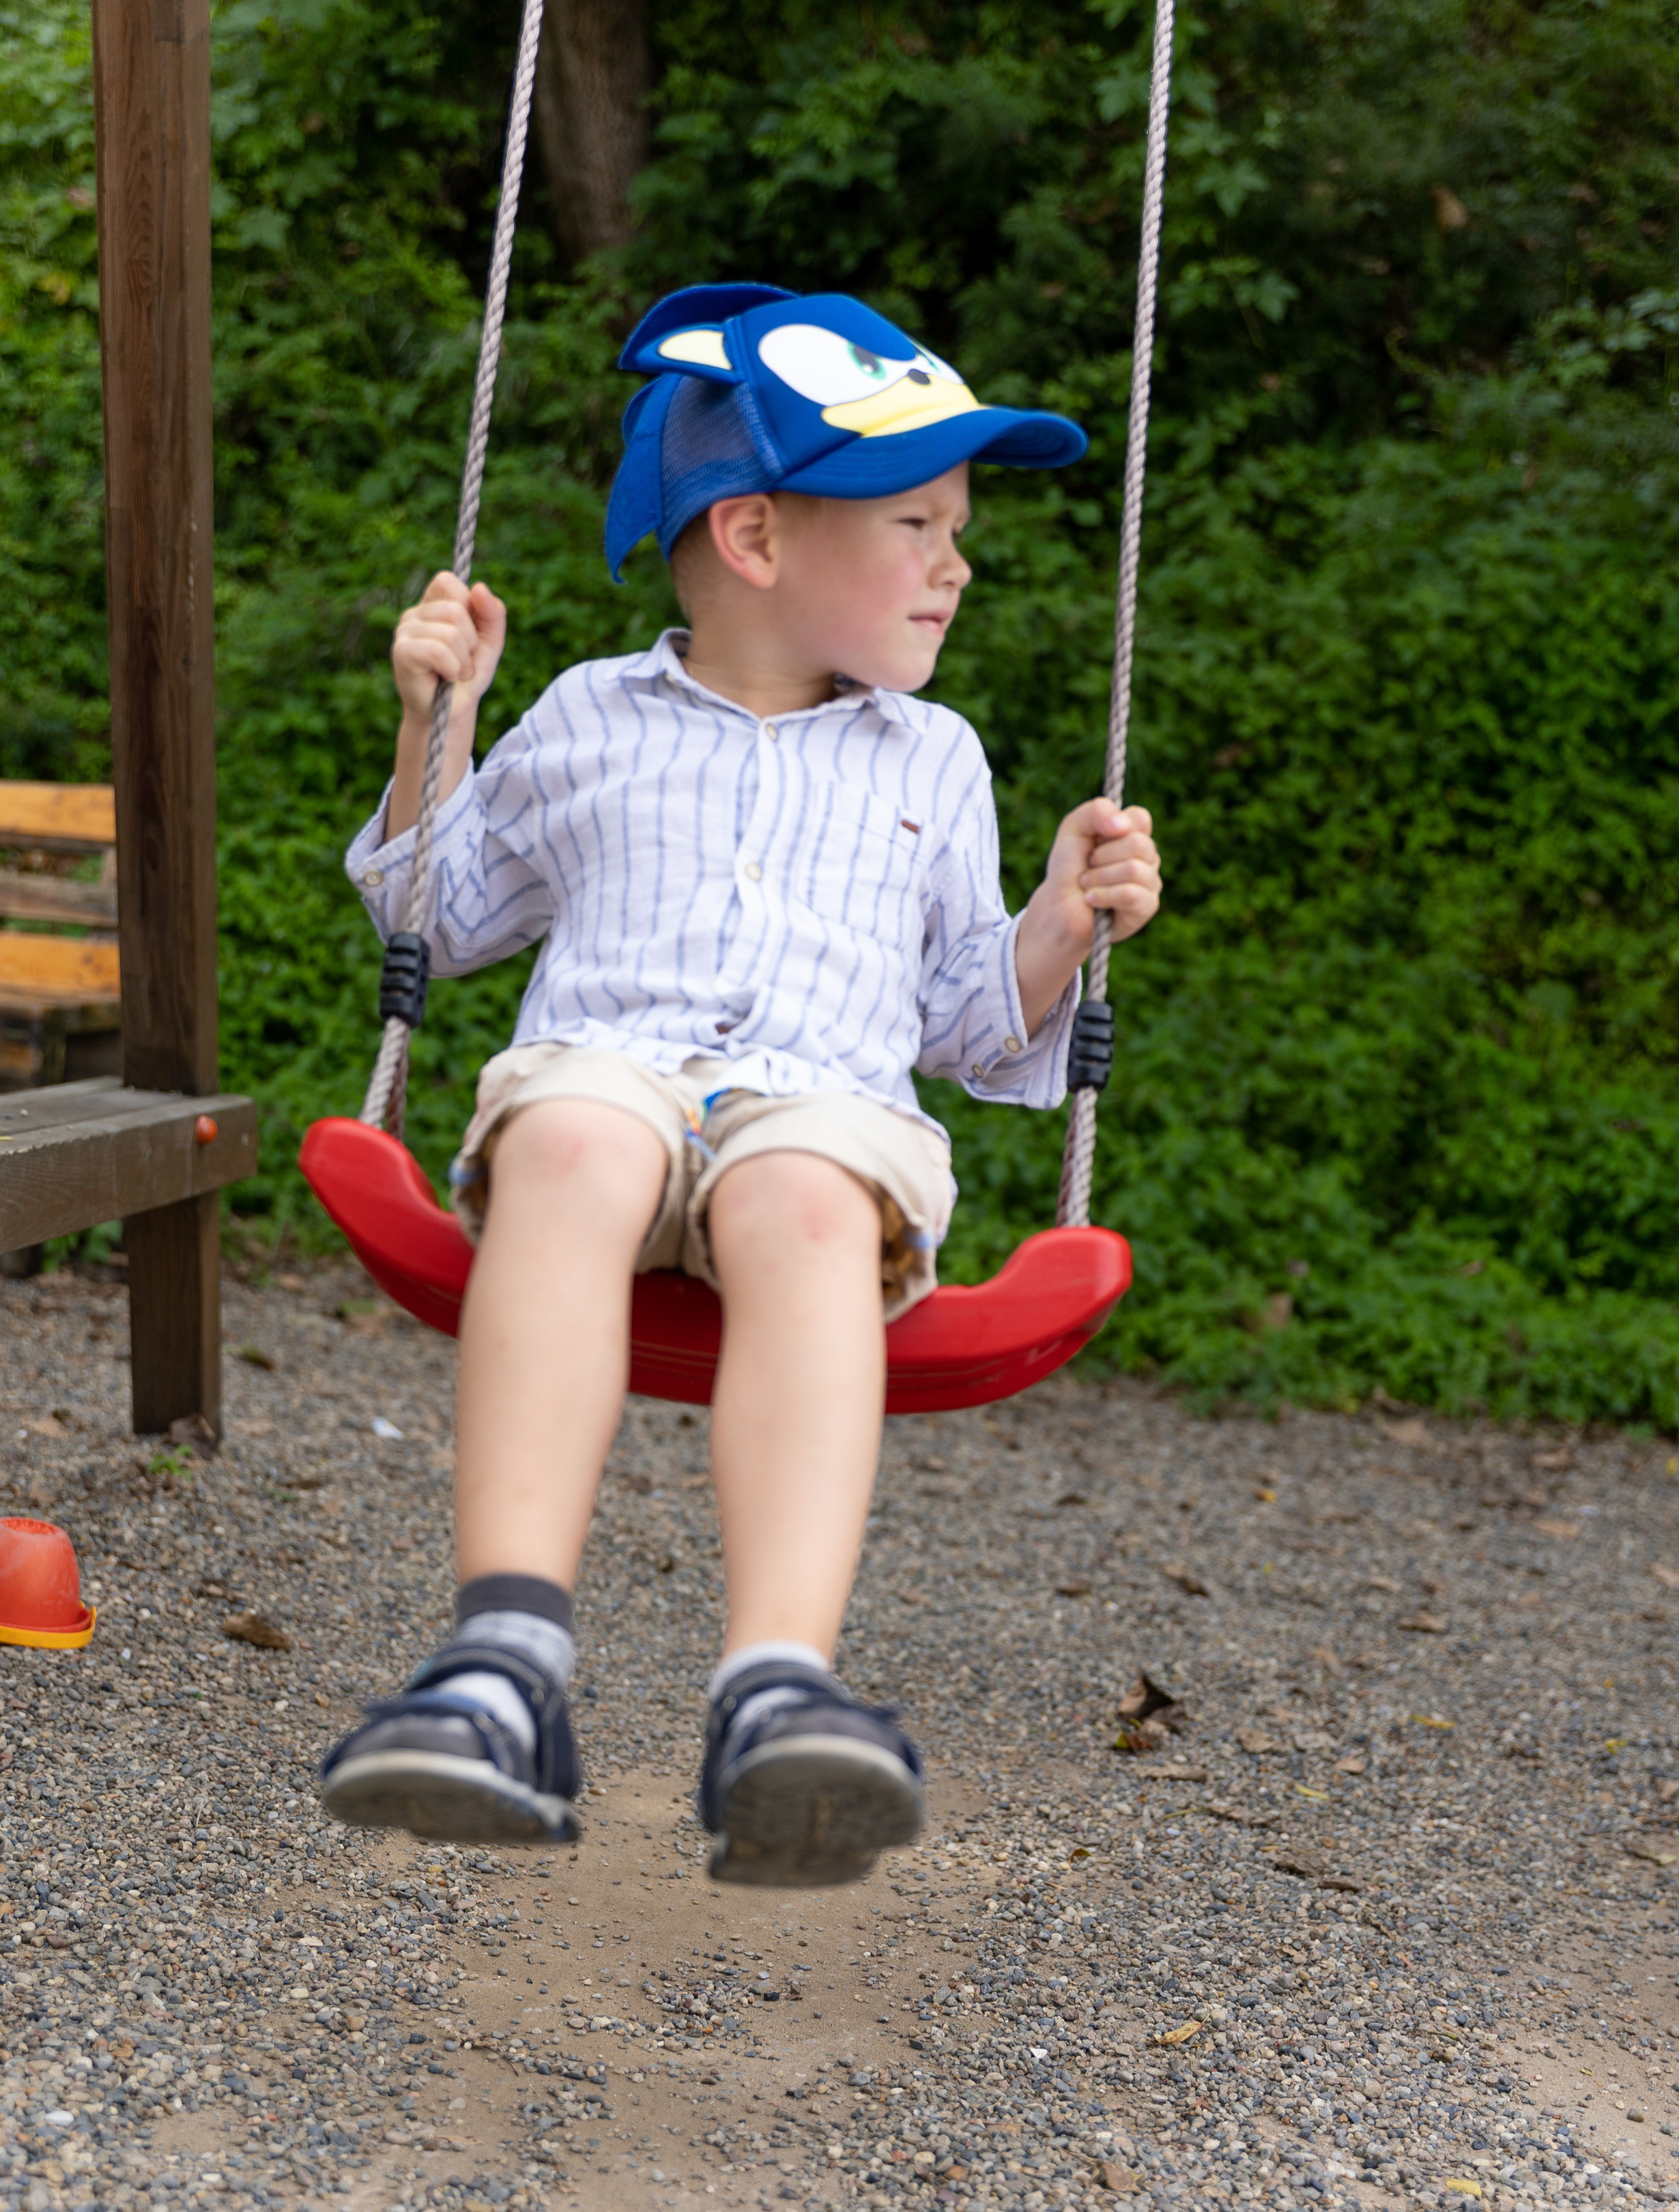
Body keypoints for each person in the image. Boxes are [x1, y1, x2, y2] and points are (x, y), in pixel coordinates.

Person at [319, 283, 1162, 1887]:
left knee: (798, 1195)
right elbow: (440, 910)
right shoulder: (588, 717)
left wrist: (1057, 922)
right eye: (914, 519)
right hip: (613, 1080)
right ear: (759, 539)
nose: (954, 560)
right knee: (565, 1135)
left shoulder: (932, 757)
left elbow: (967, 1030)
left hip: (823, 1115)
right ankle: (502, 1669)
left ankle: (774, 1689)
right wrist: (437, 723)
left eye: (955, 522)